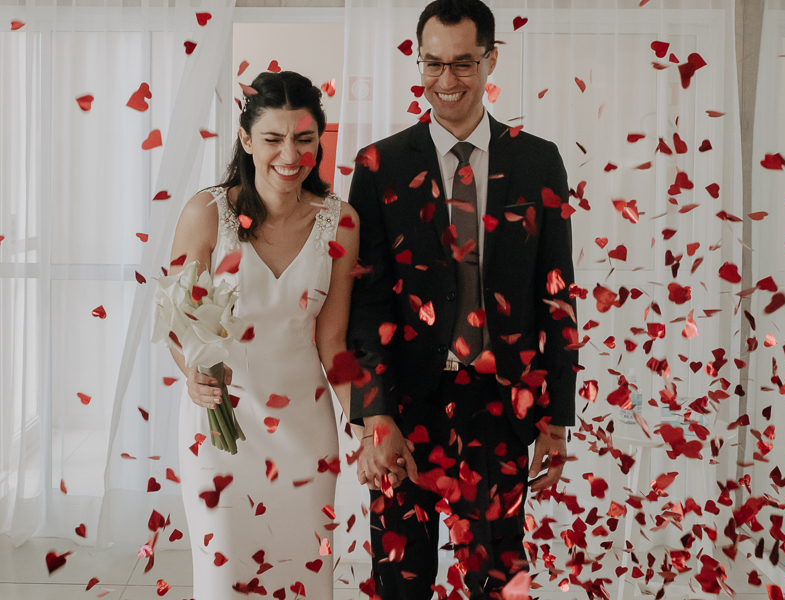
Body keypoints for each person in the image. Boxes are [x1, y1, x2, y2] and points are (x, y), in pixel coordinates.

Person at [347, 1, 578, 598]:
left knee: (498, 577)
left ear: (491, 59)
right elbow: (367, 299)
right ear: (418, 61)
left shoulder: (538, 160)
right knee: (401, 576)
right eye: (433, 64)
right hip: (403, 402)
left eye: (463, 64)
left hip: (499, 402)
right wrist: (374, 414)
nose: (446, 82)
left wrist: (557, 417)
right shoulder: (380, 166)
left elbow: (557, 296)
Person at [164, 70, 360, 599]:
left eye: (303, 139)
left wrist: (363, 425)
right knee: (226, 579)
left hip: (306, 436)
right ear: (247, 140)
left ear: (320, 139)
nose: (289, 156)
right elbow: (179, 323)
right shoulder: (207, 214)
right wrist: (192, 373)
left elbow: (333, 341)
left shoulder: (340, 222)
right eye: (273, 139)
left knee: (303, 580)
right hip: (219, 432)